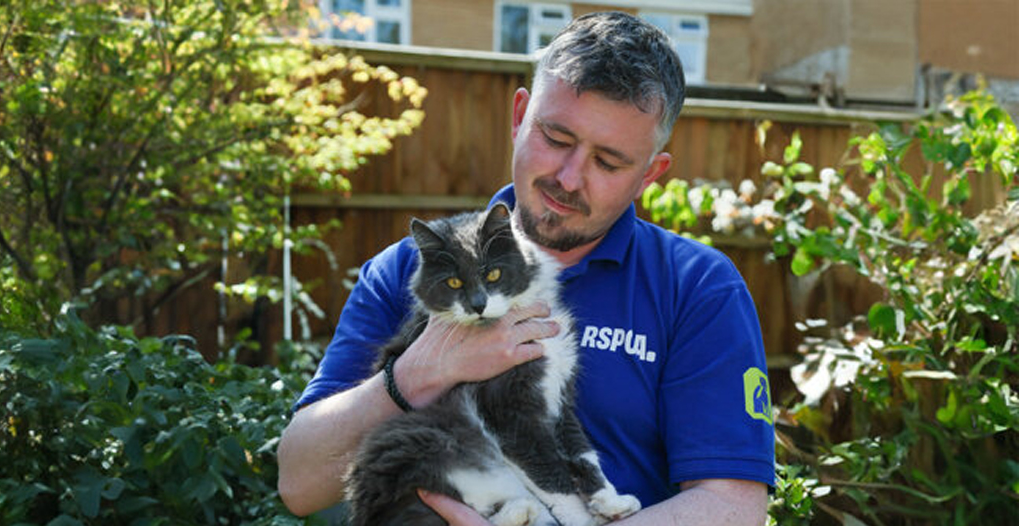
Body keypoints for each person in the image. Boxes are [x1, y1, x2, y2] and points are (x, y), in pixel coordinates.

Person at [277, 11, 775, 525]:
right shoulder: (412, 269)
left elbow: (734, 507)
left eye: (608, 162)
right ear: (519, 117)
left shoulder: (696, 287)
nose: (569, 177)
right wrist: (417, 373)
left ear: (650, 174)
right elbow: (299, 483)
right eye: (556, 138)